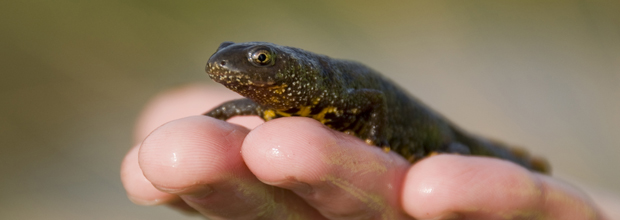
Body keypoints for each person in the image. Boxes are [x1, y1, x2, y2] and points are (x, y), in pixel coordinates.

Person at [121, 84, 609, 219]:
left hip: (438, 141)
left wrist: (374, 141)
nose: (245, 67)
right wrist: (213, 121)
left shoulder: (328, 90)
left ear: (293, 72)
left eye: (261, 60)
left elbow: (369, 102)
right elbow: (235, 106)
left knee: (463, 156)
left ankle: (517, 166)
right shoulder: (272, 99)